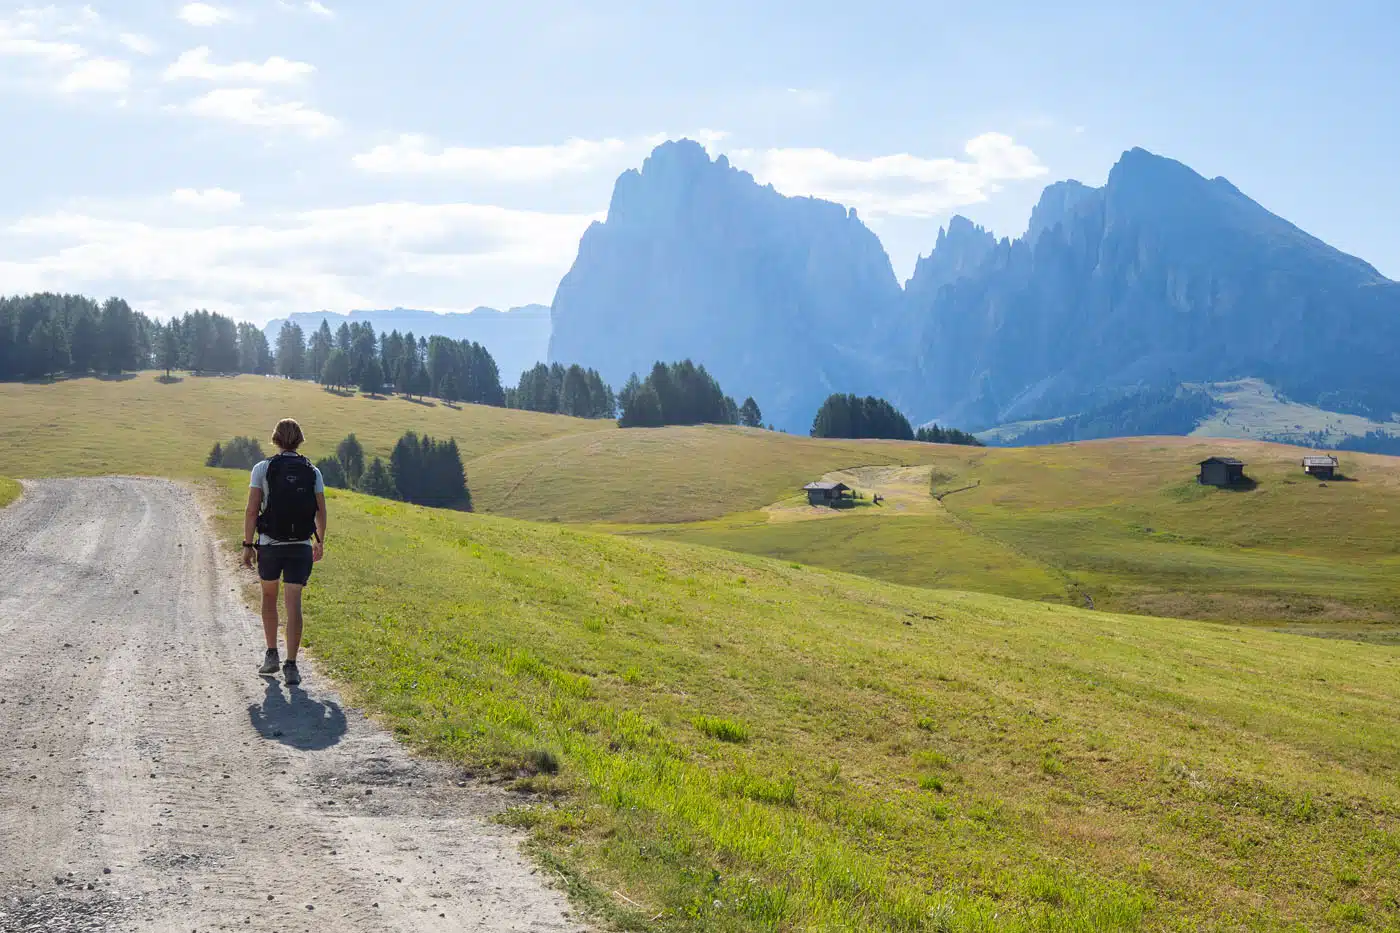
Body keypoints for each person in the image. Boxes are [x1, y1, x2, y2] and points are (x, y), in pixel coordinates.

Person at [242, 418, 326, 686]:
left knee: (269, 597)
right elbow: (321, 511)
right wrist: (319, 541)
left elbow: (252, 509)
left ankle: (271, 655)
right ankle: (292, 665)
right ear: (300, 439)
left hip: (270, 544)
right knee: (294, 604)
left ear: (275, 439)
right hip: (300, 546)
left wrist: (247, 545)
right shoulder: (313, 471)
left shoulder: (262, 468)